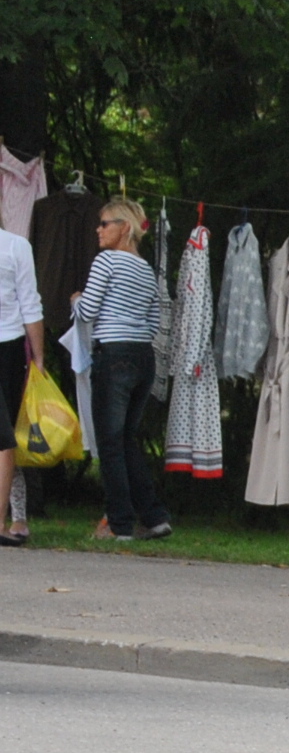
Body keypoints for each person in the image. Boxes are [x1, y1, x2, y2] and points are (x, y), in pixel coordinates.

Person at [70, 197, 169, 542]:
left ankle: (119, 524)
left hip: (113, 356)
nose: (98, 230)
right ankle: (154, 517)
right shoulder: (145, 270)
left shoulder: (107, 261)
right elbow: (154, 321)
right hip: (143, 357)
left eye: (105, 223)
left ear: (124, 227)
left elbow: (87, 312)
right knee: (126, 440)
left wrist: (75, 300)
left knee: (110, 443)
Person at [0, 216, 42, 546]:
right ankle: (3, 521)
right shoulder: (16, 246)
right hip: (9, 346)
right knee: (5, 438)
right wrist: (39, 357)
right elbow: (30, 304)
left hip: (9, 345)